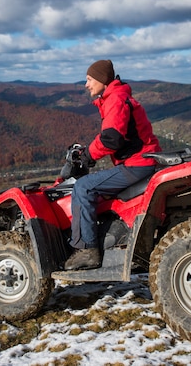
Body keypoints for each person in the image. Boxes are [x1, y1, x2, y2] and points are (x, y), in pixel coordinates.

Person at [64, 59, 162, 270]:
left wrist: (88, 155)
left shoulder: (116, 98)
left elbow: (111, 138)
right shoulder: (116, 97)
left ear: (102, 79)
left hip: (138, 163)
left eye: (89, 79)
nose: (86, 84)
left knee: (83, 187)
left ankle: (87, 249)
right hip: (143, 160)